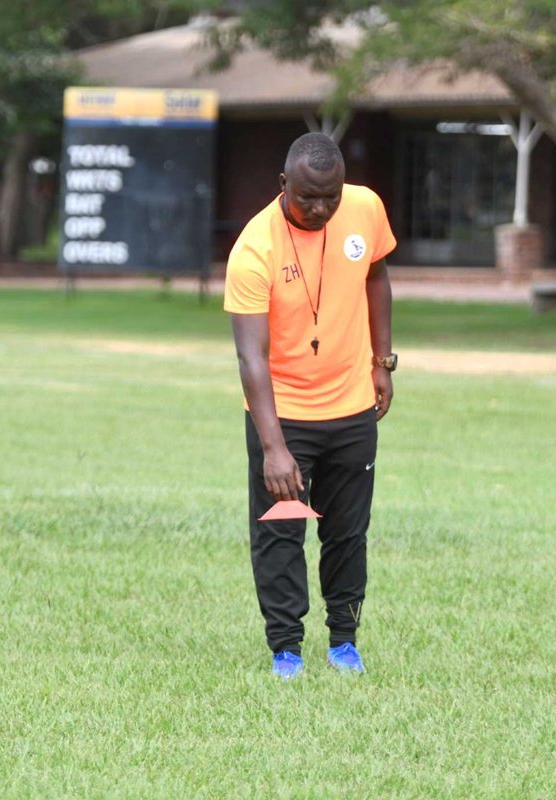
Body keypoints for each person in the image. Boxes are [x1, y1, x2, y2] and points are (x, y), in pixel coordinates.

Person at [223, 132, 397, 679]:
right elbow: (252, 359)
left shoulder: (365, 208)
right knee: (281, 534)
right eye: (308, 199)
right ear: (283, 186)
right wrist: (274, 448)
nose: (321, 209)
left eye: (331, 197)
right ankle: (286, 649)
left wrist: (382, 361)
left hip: (351, 410)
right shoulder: (255, 248)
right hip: (286, 417)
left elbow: (376, 274)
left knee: (347, 532)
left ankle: (344, 642)